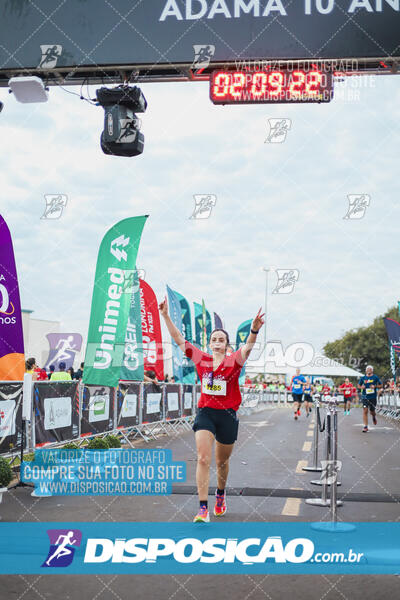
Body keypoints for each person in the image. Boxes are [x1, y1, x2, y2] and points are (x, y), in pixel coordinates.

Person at [159, 295, 264, 523]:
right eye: (214, 338)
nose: (217, 341)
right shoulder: (201, 358)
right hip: (206, 412)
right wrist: (165, 315)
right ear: (210, 343)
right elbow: (178, 339)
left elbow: (248, 347)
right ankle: (202, 508)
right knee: (203, 459)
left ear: (226, 345)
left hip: (227, 414)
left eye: (221, 339)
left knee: (221, 463)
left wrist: (254, 331)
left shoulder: (234, 360)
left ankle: (220, 494)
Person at [358, 365, 382, 432]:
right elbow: (358, 385)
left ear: (372, 370)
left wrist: (375, 386)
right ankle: (365, 426)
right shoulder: (363, 378)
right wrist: (361, 387)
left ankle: (374, 417)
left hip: (373, 397)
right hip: (365, 397)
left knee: (372, 412)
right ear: (366, 370)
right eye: (367, 369)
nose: (369, 370)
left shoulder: (375, 377)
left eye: (370, 369)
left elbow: (381, 385)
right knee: (365, 410)